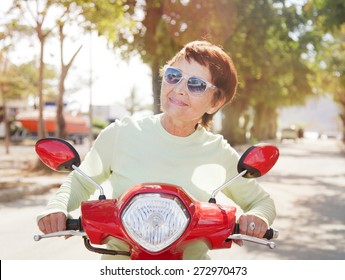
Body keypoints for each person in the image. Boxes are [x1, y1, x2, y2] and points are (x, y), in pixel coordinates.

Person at [37, 40, 276, 259]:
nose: (180, 88)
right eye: (174, 76)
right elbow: (80, 181)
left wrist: (257, 218)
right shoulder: (121, 133)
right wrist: (56, 208)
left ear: (215, 102)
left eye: (195, 84)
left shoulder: (218, 152)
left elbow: (261, 202)